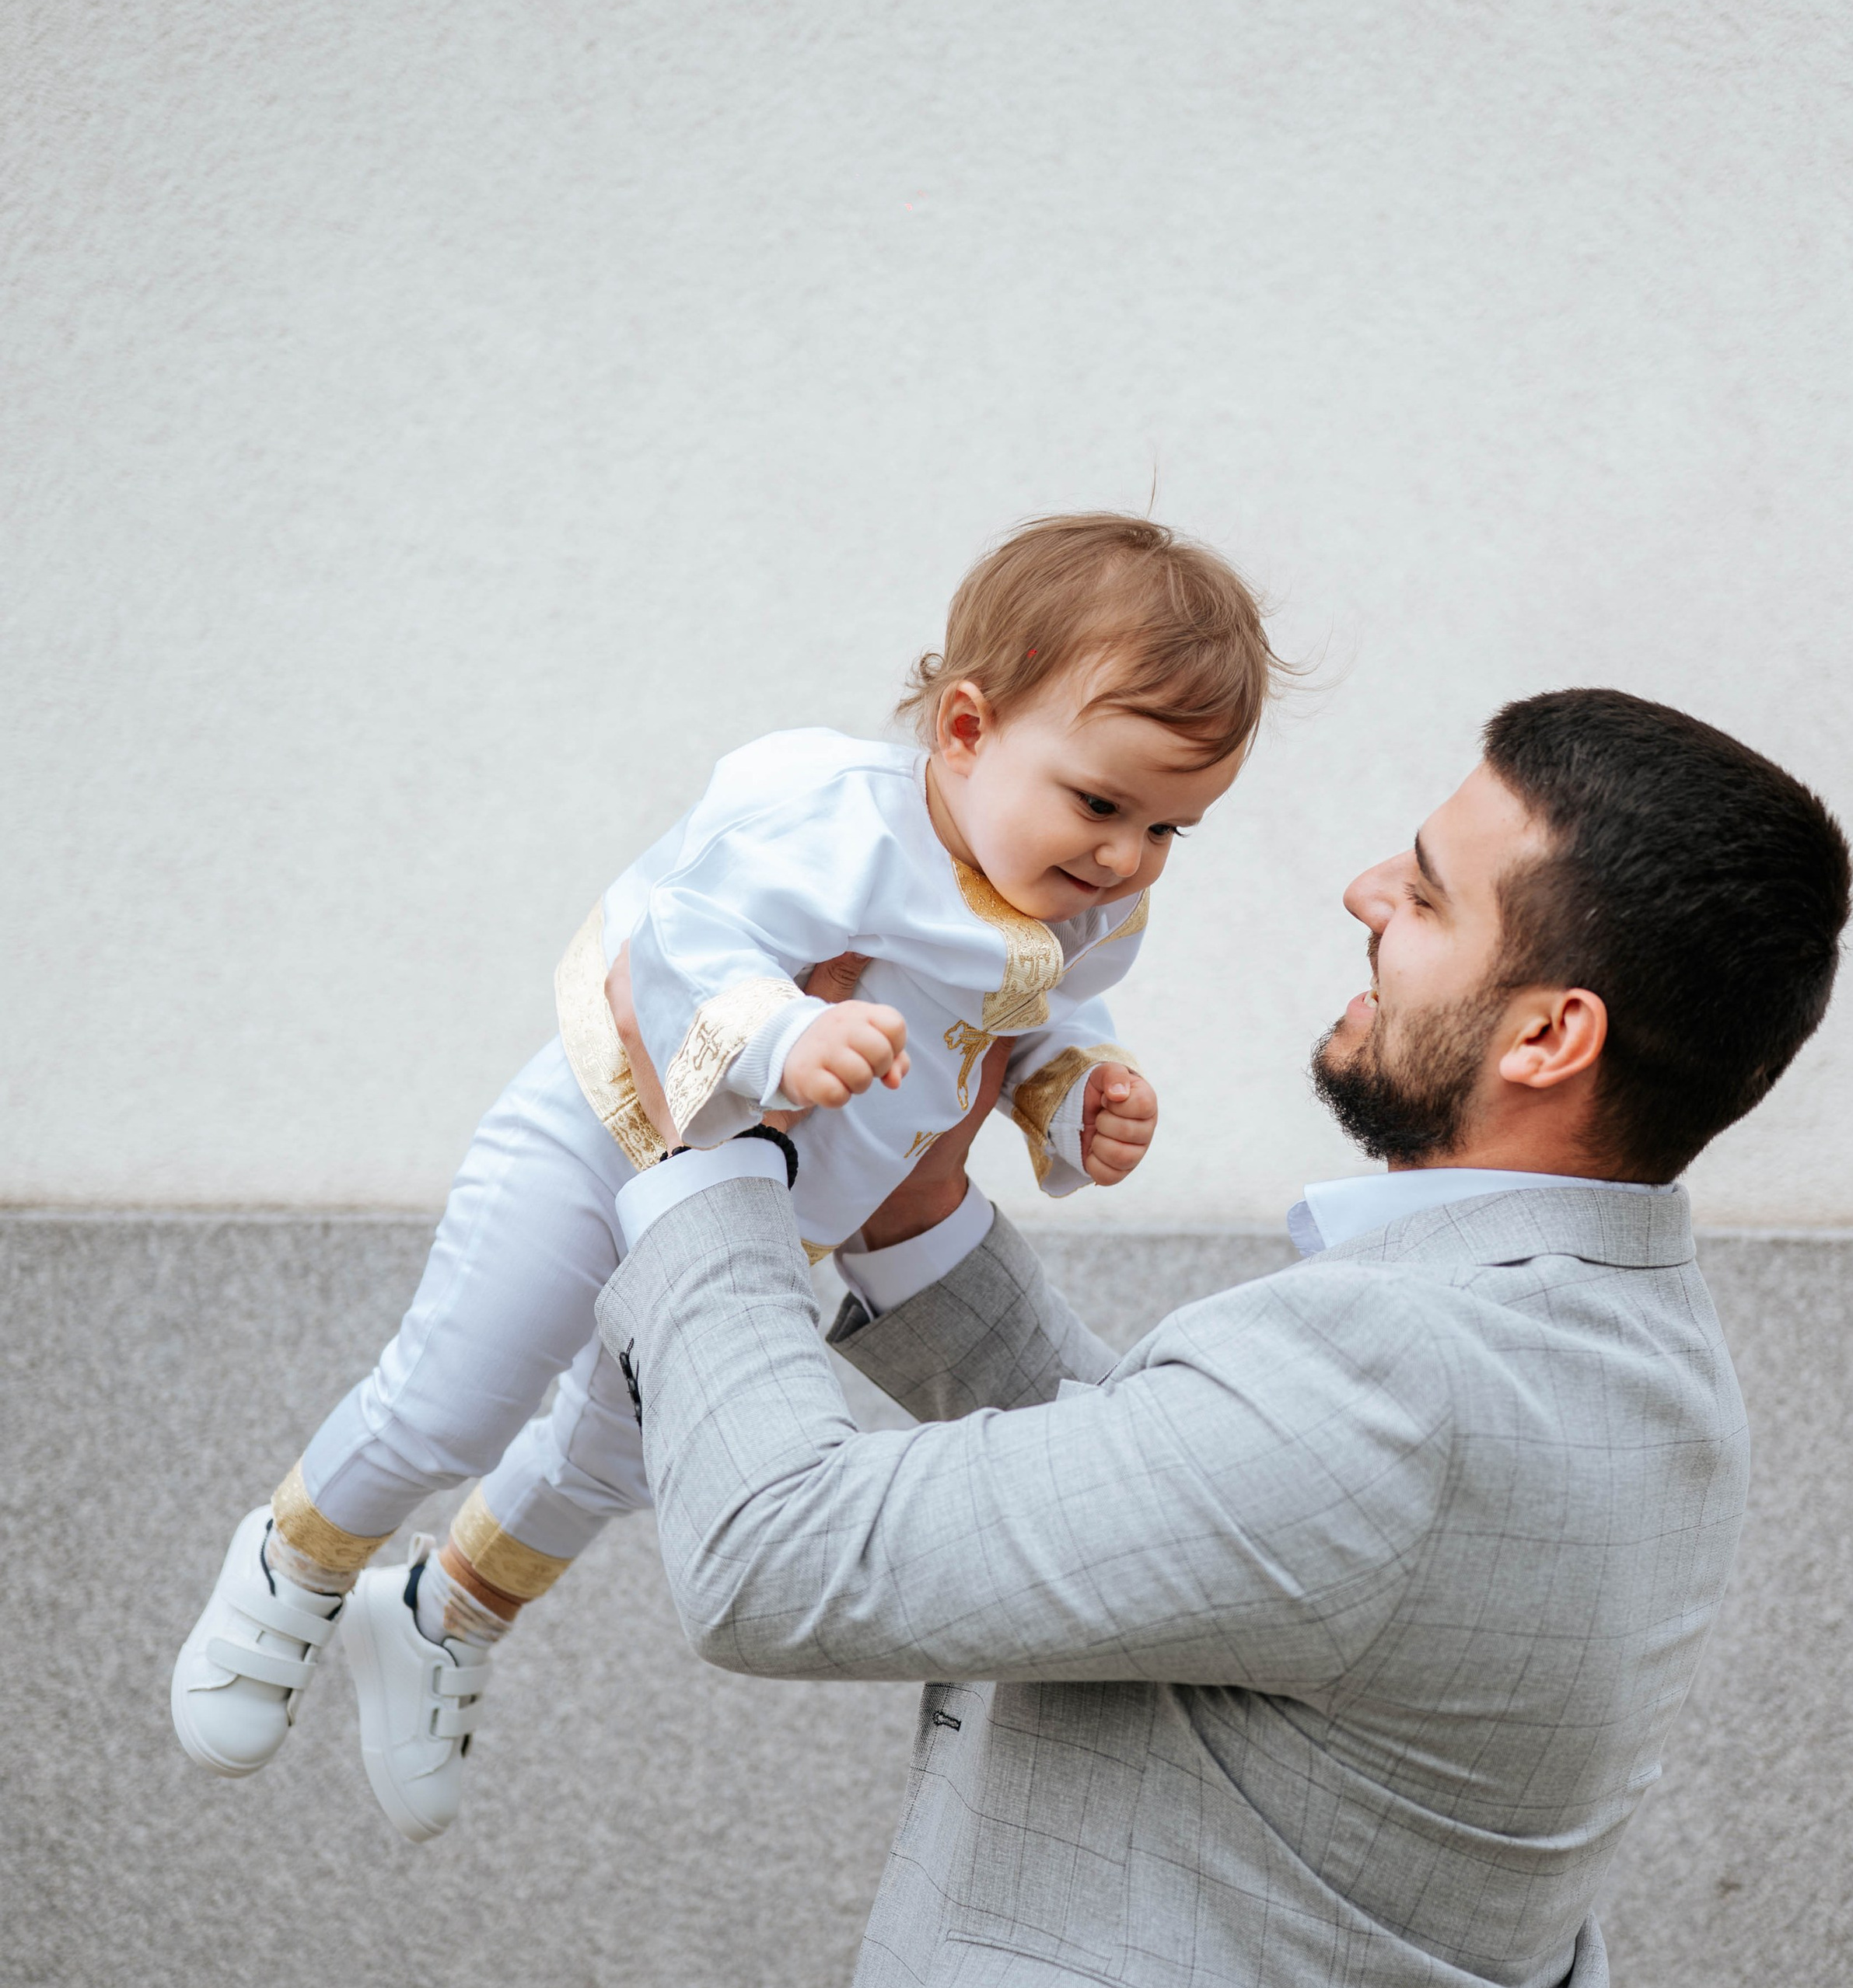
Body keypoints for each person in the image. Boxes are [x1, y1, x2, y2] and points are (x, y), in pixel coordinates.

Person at [593, 688, 1853, 1988]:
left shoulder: (1403, 1379)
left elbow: (776, 1554)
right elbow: (1172, 1520)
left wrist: (697, 1162)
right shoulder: (1603, 1338)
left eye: (1428, 893)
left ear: (1552, 1034)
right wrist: (913, 1213)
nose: (1364, 890)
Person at [169, 515, 1276, 1840]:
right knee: (455, 1399)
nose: (1123, 858)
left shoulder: (1083, 912)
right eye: (1100, 804)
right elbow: (686, 932)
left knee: (616, 1458)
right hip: (612, 1128)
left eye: (1169, 830)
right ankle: (293, 1565)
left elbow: (1043, 1020)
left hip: (768, 1226)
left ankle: (440, 1614)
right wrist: (784, 1032)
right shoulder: (832, 818)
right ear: (967, 729)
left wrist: (1076, 1091)